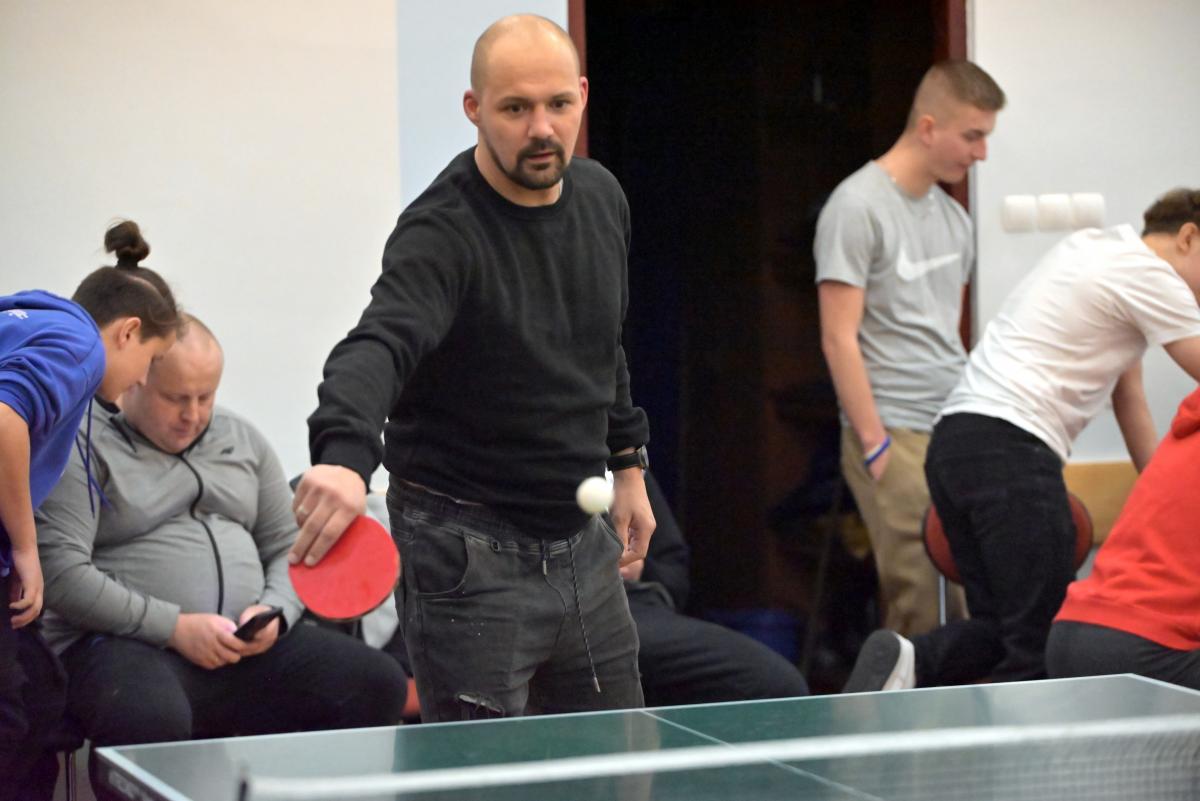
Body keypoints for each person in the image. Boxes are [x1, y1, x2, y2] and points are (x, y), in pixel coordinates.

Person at [291, 14, 654, 722]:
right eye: (515, 108)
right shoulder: (442, 231)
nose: (542, 129)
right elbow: (379, 344)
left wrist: (628, 464)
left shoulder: (602, 198)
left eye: (558, 104)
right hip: (463, 550)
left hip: (581, 538)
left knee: (617, 763)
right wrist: (344, 456)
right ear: (474, 109)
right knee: (481, 773)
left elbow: (599, 343)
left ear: (582, 96)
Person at [36, 315, 406, 799]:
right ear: (138, 379)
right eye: (176, 398)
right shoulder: (83, 446)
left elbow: (288, 545)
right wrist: (174, 627)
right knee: (147, 713)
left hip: (243, 647)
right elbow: (63, 577)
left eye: (205, 397)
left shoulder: (242, 440)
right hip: (128, 646)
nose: (192, 414)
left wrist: (276, 612)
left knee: (376, 682)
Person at [845, 188, 1200, 692]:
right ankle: (1003, 738)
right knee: (1039, 643)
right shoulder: (1150, 273)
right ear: (1188, 237)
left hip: (955, 443)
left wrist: (1157, 493)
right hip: (1010, 448)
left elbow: (1130, 400)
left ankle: (912, 658)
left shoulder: (1094, 253)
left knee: (1005, 627)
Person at [815, 60, 1006, 638]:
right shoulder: (856, 206)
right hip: (893, 427)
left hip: (954, 423)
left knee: (971, 592)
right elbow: (838, 336)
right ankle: (910, 700)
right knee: (919, 598)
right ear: (928, 128)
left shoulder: (954, 218)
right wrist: (874, 442)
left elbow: (946, 330)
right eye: (972, 136)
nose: (981, 154)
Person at [0, 220, 179, 801]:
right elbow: (4, 419)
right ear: (128, 332)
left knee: (38, 698)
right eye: (151, 361)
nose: (141, 379)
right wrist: (26, 547)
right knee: (10, 722)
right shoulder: (80, 345)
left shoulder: (35, 314)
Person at [624, 473, 809, 706]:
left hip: (641, 609)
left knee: (778, 686)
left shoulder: (627, 466)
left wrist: (640, 566)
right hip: (584, 610)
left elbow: (673, 574)